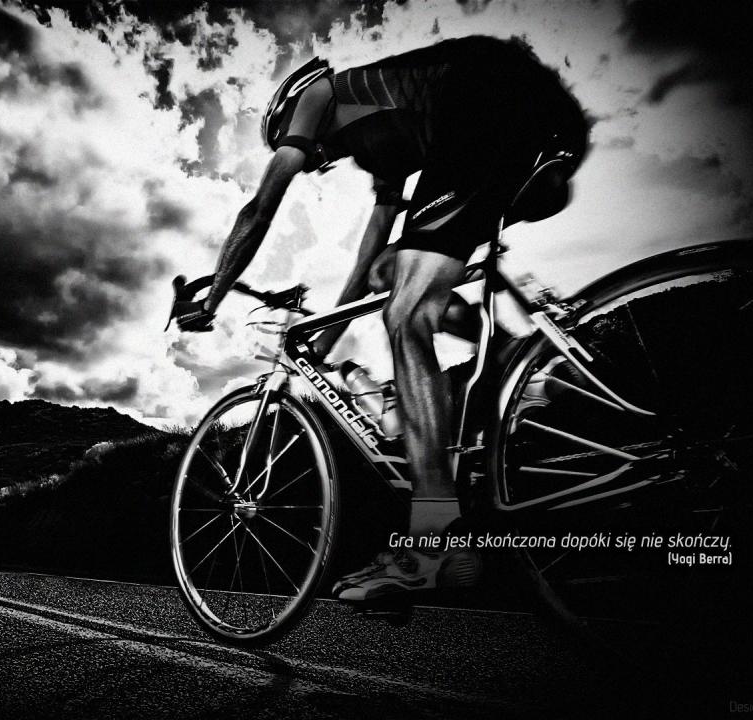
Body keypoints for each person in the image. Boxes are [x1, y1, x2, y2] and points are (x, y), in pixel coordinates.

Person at [175, 35, 589, 603]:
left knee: (407, 313)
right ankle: (521, 364)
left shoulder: (319, 93)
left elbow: (260, 207)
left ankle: (434, 538)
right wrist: (325, 338)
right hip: (543, 123)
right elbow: (369, 258)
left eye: (301, 147)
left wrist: (213, 297)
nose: (315, 161)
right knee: (393, 271)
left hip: (483, 99)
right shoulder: (383, 151)